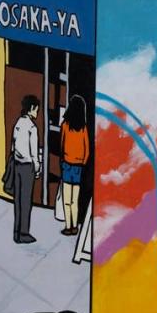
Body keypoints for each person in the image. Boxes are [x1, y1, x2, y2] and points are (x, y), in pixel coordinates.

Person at [12, 95, 41, 244]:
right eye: (36, 109)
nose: (37, 112)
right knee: (26, 201)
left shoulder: (18, 123)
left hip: (17, 164)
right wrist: (37, 168)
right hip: (27, 167)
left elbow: (14, 144)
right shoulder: (32, 127)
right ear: (31, 109)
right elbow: (34, 152)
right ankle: (24, 232)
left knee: (17, 200)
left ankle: (16, 232)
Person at [59, 95, 89, 236]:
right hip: (78, 166)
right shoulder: (83, 128)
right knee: (74, 200)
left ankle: (68, 225)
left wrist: (64, 159)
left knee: (67, 199)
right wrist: (82, 162)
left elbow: (61, 143)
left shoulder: (64, 125)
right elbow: (87, 149)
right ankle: (74, 226)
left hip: (67, 164)